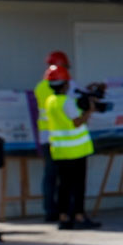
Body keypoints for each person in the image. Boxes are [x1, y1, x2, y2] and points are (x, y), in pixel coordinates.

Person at [41, 65, 102, 230]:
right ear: (66, 84)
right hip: (76, 150)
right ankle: (79, 215)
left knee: (64, 185)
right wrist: (88, 111)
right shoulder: (66, 102)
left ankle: (64, 217)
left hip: (60, 150)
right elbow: (76, 122)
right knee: (78, 185)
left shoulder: (50, 101)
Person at [35, 50, 70, 222]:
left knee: (50, 175)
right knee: (64, 176)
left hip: (46, 137)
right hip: (60, 137)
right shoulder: (60, 88)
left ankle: (50, 211)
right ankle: (64, 211)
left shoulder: (40, 87)